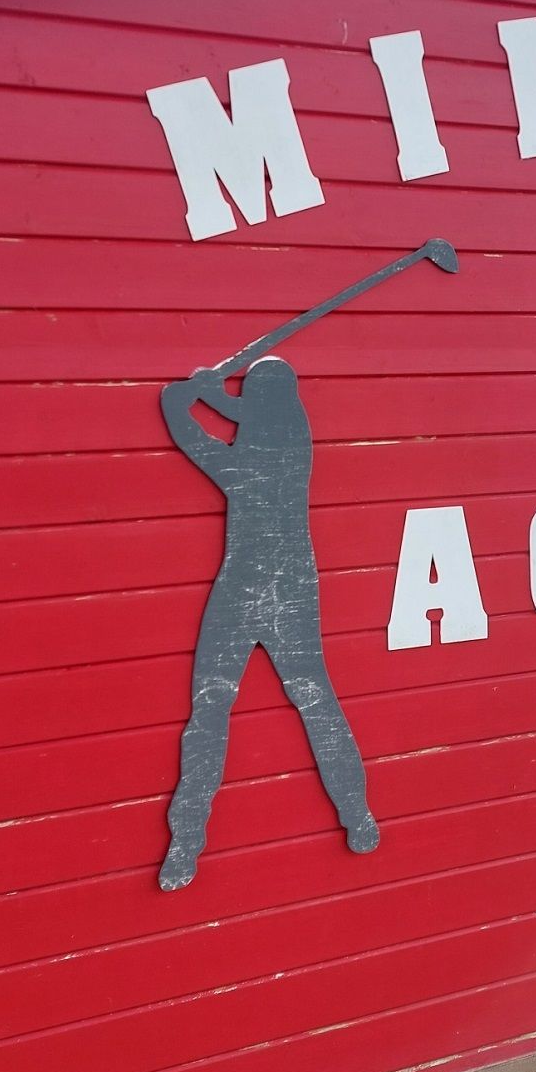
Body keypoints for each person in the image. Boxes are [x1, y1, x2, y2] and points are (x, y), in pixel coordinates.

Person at [157, 356, 377, 891]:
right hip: (295, 587)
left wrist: (183, 396)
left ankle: (185, 844)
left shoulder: (245, 462)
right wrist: (212, 393)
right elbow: (246, 411)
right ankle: (360, 819)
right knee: (317, 703)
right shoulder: (294, 439)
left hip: (245, 587)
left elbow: (188, 427)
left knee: (210, 710)